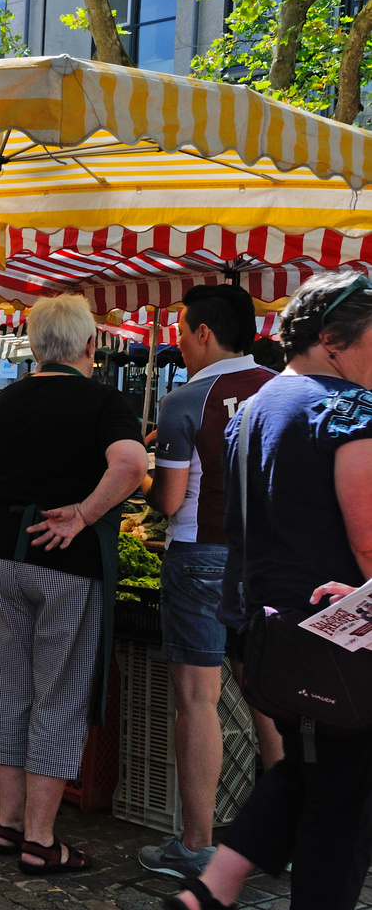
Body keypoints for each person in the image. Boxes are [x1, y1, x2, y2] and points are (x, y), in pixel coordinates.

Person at [161, 271, 372, 910]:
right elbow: (367, 543)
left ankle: (209, 891)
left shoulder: (255, 409)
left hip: (266, 632)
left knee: (305, 772)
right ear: (333, 339)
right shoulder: (349, 412)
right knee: (344, 799)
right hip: (340, 636)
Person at [0, 294, 147, 876]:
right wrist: (85, 513)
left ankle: (8, 826)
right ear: (91, 345)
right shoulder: (103, 401)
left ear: (36, 347)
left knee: (10, 691)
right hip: (69, 561)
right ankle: (42, 841)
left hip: (1, 556)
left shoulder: (6, 399)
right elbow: (133, 466)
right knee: (58, 696)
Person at [137, 285, 277, 881]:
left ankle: (196, 844)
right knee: (270, 697)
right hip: (271, 562)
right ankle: (283, 830)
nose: (178, 341)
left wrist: (146, 471)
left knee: (199, 699)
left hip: (201, 556)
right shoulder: (286, 389)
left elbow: (169, 502)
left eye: (182, 329)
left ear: (203, 333)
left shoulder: (186, 399)